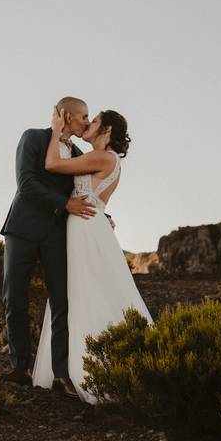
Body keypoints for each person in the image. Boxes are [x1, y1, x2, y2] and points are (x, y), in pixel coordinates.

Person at [30, 106, 155, 403]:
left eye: (95, 120)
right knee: (85, 292)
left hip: (85, 229)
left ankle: (86, 370)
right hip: (88, 225)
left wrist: (56, 129)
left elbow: (51, 164)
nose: (89, 123)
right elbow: (93, 198)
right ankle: (82, 366)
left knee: (81, 293)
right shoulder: (106, 160)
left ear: (107, 130)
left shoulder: (102, 157)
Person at [0, 96, 100, 398]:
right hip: (23, 229)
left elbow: (84, 192)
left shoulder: (79, 154)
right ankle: (19, 368)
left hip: (57, 235)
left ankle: (61, 375)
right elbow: (26, 183)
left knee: (61, 304)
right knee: (14, 297)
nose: (87, 121)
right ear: (67, 116)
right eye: (83, 116)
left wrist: (102, 217)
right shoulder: (32, 137)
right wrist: (64, 204)